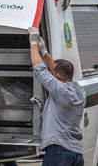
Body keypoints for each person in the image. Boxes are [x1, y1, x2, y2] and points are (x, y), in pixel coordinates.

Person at [28, 27, 86, 166]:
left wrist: (33, 44)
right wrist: (45, 52)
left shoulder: (61, 91)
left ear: (58, 77)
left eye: (54, 75)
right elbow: (58, 70)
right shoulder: (79, 91)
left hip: (59, 152)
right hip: (75, 152)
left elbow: (39, 69)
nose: (53, 75)